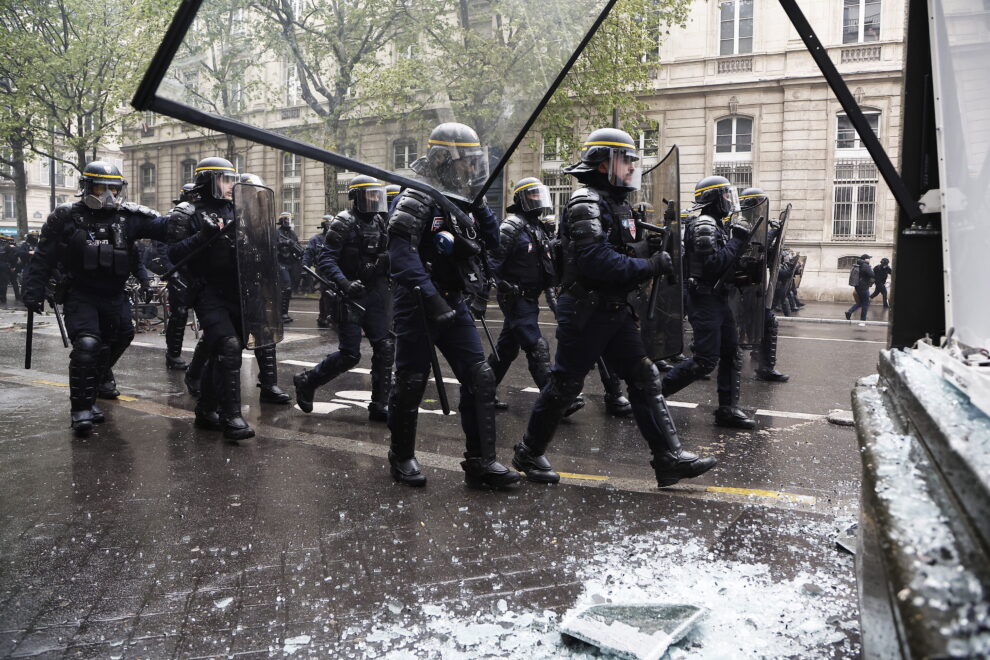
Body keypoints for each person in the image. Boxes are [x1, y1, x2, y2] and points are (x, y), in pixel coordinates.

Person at [517, 128, 716, 487]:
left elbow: (624, 250)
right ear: (605, 162)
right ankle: (528, 452)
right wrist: (651, 266)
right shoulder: (586, 202)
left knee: (644, 377)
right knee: (565, 384)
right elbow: (595, 259)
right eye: (626, 161)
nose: (632, 168)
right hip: (586, 309)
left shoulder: (616, 203)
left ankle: (668, 458)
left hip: (613, 308)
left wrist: (654, 248)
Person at [386, 122, 520, 489]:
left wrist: (479, 202)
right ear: (444, 159)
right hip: (418, 302)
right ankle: (402, 456)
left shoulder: (462, 198)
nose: (472, 168)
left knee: (480, 375)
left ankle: (481, 461)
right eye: (467, 162)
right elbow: (400, 252)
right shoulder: (418, 195)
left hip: (453, 298)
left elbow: (490, 241)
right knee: (412, 381)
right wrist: (429, 297)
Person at [21, 161, 170, 436]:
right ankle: (82, 409)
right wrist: (33, 290)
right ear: (88, 188)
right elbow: (44, 256)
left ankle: (100, 377)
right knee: (88, 344)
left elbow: (165, 229)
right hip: (81, 293)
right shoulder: (66, 217)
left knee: (122, 336)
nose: (109, 195)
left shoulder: (129, 217)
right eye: (102, 188)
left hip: (115, 294)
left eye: (114, 188)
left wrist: (189, 218)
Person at [167, 158, 291, 441]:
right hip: (207, 291)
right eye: (224, 179)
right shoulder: (189, 213)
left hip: (238, 290)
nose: (230, 184)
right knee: (229, 346)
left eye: (232, 178)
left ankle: (206, 410)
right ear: (209, 181)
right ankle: (231, 417)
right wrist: (202, 236)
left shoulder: (239, 209)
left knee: (219, 352)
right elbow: (173, 254)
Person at [294, 176, 393, 422]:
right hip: (349, 295)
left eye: (376, 194)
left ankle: (380, 404)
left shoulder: (381, 221)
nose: (375, 199)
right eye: (369, 195)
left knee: (386, 347)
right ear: (357, 197)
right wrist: (345, 284)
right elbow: (326, 259)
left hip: (375, 293)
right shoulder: (343, 222)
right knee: (350, 354)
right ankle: (308, 381)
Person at [661, 175, 757, 429]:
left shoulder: (717, 224)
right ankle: (653, 396)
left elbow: (725, 264)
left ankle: (727, 409)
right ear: (713, 198)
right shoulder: (704, 224)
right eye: (725, 195)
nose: (729, 200)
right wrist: (737, 240)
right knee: (705, 359)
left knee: (730, 353)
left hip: (718, 298)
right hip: (704, 299)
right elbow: (712, 265)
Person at [487, 177, 583, 416]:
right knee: (536, 345)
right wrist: (495, 289)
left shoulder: (537, 228)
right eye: (532, 195)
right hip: (515, 298)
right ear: (520, 199)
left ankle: (481, 390)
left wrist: (556, 305)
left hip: (530, 298)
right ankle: (555, 399)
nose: (538, 200)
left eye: (539, 195)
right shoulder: (511, 226)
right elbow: (491, 262)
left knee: (507, 349)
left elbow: (546, 270)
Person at [739, 188, 789, 382]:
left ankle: (763, 366)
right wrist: (772, 232)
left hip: (754, 288)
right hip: (741, 289)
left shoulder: (755, 225)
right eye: (759, 203)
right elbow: (754, 249)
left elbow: (764, 256)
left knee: (766, 322)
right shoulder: (741, 224)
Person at [303, 215, 333, 327]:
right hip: (322, 269)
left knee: (334, 293)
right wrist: (305, 268)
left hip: (335, 268)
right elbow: (308, 253)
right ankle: (323, 317)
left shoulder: (336, 238)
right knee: (326, 292)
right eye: (328, 223)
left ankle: (331, 316)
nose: (330, 225)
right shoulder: (316, 239)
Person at [276, 212, 301, 323]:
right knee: (286, 287)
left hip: (291, 263)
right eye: (286, 219)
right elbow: (273, 245)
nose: (288, 221)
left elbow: (297, 245)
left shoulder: (292, 233)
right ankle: (281, 314)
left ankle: (284, 313)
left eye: (289, 219)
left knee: (289, 289)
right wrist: (284, 243)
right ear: (281, 221)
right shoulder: (277, 233)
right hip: (281, 262)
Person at [845, 254, 875, 322]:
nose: (869, 259)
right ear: (865, 259)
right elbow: (872, 275)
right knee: (865, 303)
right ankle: (863, 319)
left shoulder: (859, 264)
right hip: (863, 286)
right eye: (868, 258)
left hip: (858, 286)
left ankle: (849, 312)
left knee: (861, 302)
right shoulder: (865, 265)